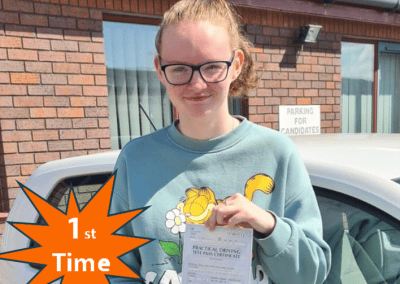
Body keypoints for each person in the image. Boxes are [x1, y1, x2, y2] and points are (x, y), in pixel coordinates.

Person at [110, 0, 331, 283]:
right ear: (159, 69)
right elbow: (113, 269)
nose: (197, 84)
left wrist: (267, 226)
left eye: (212, 67)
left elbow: (311, 275)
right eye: (179, 69)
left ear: (236, 65)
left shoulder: (277, 153)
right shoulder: (135, 158)